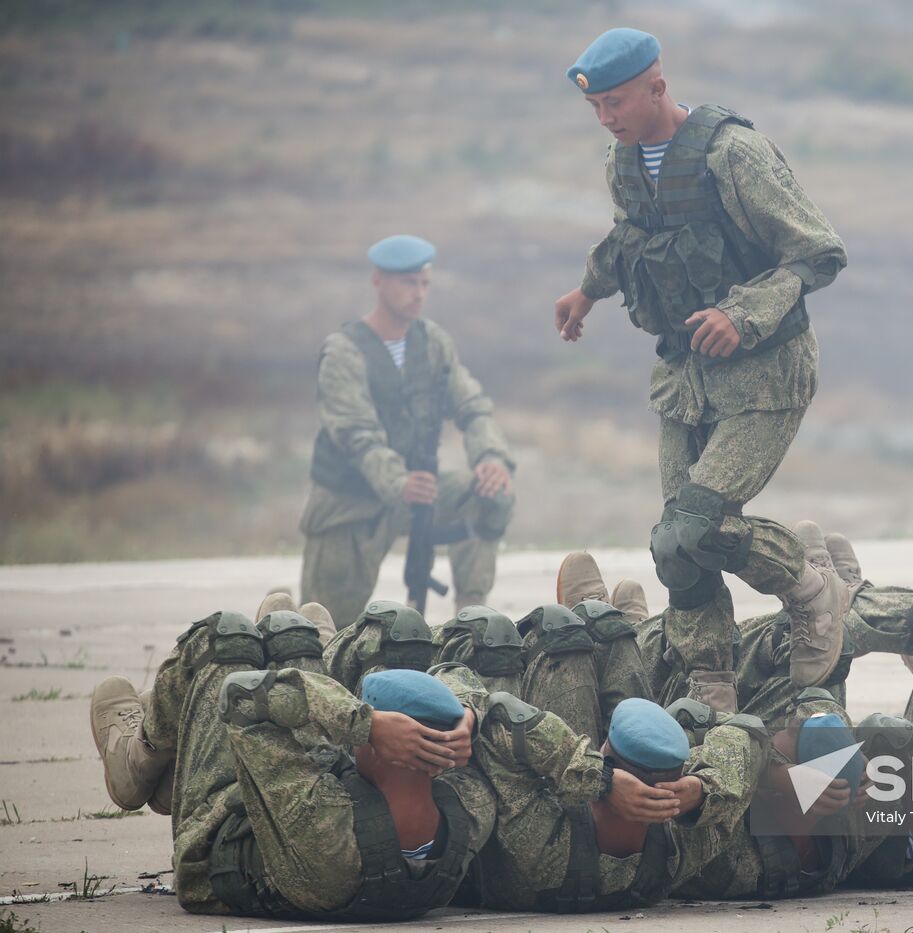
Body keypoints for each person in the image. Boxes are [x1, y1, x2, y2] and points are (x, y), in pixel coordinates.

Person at [552, 28, 850, 711]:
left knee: (695, 524)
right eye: (595, 107)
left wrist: (743, 314)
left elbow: (819, 253)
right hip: (686, 379)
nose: (607, 117)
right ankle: (710, 677)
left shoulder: (733, 155)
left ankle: (809, 583)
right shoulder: (623, 162)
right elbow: (630, 238)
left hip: (765, 376)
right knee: (673, 545)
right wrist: (587, 290)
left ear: (658, 87)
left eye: (617, 101)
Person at [89, 609, 493, 920]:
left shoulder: (322, 820)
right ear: (445, 757)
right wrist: (466, 715)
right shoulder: (468, 811)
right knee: (291, 635)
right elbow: (469, 682)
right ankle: (288, 642)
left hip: (212, 840)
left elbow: (242, 697)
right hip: (303, 827)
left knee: (225, 639)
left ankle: (139, 758)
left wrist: (364, 723)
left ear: (382, 749)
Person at [300, 234, 515, 630]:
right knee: (324, 630)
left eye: (424, 283)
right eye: (407, 282)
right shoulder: (344, 352)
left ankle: (474, 625)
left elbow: (472, 405)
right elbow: (355, 434)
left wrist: (490, 458)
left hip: (417, 490)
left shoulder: (432, 343)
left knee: (489, 493)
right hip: (349, 500)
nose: (418, 293)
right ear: (378, 281)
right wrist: (398, 481)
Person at [464, 694, 768, 911]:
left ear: (603, 750)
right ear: (679, 774)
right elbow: (748, 729)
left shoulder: (539, 839)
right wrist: (701, 790)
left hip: (452, 875)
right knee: (689, 713)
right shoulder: (684, 848)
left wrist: (599, 776)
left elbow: (499, 713)